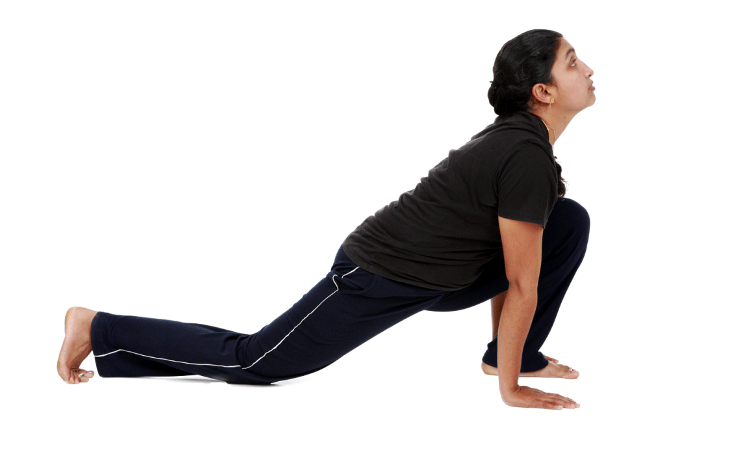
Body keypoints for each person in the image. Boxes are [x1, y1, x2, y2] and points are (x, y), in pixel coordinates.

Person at [57, 28, 594, 410]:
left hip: (444, 275)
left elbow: (517, 265)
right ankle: (97, 326)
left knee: (566, 220)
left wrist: (509, 357)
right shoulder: (523, 152)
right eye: (572, 62)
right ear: (542, 92)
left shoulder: (526, 147)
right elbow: (521, 283)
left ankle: (514, 353)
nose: (588, 69)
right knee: (257, 360)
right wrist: (510, 389)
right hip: (380, 272)